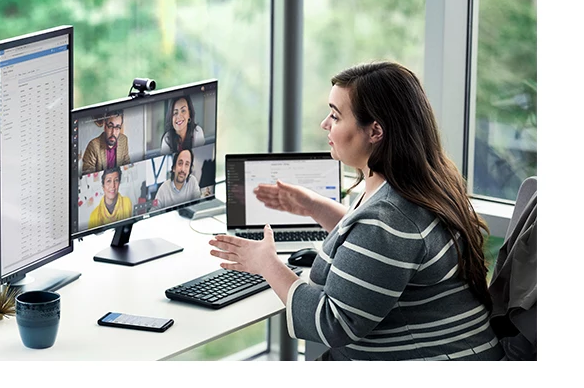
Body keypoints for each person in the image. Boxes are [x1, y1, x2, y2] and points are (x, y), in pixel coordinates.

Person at [209, 61, 505, 361]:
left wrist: (267, 265)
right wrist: (315, 207)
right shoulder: (420, 184)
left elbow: (332, 323)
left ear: (375, 131)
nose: (325, 124)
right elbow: (386, 253)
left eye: (336, 116)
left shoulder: (389, 220)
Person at [82, 110, 130, 174]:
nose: (113, 132)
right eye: (110, 126)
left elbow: (127, 164)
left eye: (117, 127)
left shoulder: (124, 140)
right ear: (105, 127)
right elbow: (88, 174)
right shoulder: (93, 145)